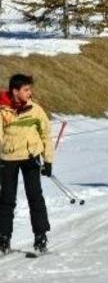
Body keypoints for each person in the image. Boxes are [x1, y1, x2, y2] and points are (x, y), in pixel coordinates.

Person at [0, 74, 53, 254]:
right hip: (8, 158)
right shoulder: (3, 110)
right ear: (15, 91)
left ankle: (40, 237)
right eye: (26, 90)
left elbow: (46, 134)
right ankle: (3, 239)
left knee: (35, 197)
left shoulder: (35, 110)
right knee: (6, 200)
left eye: (30, 89)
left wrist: (48, 160)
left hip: (31, 157)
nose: (30, 93)